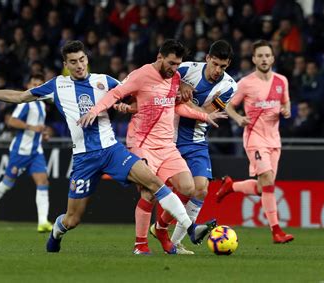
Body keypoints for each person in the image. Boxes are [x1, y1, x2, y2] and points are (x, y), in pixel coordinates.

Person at [0, 40, 214, 253]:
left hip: (112, 150)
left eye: (82, 59)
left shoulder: (105, 80)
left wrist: (178, 84)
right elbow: (19, 96)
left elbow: (143, 92)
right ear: (65, 65)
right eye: (73, 61)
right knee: (73, 219)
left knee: (154, 183)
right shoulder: (57, 86)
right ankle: (57, 232)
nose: (80, 65)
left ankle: (190, 230)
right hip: (84, 158)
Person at [78, 39, 225, 255]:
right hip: (142, 143)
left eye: (178, 64)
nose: (175, 69)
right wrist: (94, 110)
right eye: (172, 63)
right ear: (159, 58)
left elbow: (177, 107)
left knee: (188, 188)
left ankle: (162, 230)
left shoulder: (174, 78)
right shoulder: (141, 75)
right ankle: (140, 245)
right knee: (149, 193)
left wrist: (205, 116)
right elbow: (115, 94)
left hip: (167, 145)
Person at [142, 40, 237, 254]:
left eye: (223, 66)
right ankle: (146, 239)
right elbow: (156, 79)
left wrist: (180, 94)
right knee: (157, 190)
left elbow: (204, 114)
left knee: (201, 189)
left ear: (228, 64)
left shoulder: (229, 86)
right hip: (168, 137)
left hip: (195, 140)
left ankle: (170, 237)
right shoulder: (184, 69)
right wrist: (179, 83)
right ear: (207, 59)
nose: (217, 70)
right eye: (215, 64)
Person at [216, 39, 294, 244]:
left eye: (267, 55)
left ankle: (230, 187)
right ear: (254, 59)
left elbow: (286, 102)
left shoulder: (281, 81)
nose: (264, 59)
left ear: (273, 58)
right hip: (255, 138)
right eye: (260, 55)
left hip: (274, 140)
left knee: (262, 188)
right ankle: (276, 231)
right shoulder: (246, 83)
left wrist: (287, 110)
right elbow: (228, 106)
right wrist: (238, 118)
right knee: (268, 181)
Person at [0, 73, 51, 233]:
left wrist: (42, 134)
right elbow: (11, 121)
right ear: (28, 85)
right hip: (21, 151)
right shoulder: (26, 103)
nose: (36, 86)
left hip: (35, 151)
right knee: (7, 184)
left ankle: (43, 221)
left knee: (43, 182)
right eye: (34, 83)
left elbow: (37, 126)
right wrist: (32, 128)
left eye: (39, 84)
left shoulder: (42, 105)